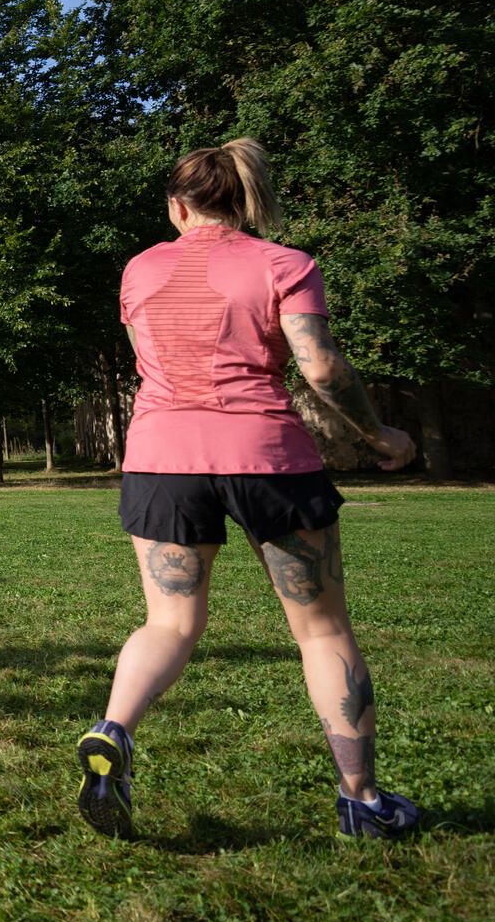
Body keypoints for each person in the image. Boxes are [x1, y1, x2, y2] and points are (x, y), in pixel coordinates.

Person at [77, 138, 420, 840]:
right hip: (267, 459)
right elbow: (320, 370)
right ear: (247, 199)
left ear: (178, 206)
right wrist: (378, 434)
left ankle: (114, 730)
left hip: (161, 459)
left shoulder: (139, 270)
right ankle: (362, 801)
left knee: (168, 622)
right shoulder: (285, 264)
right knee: (321, 629)